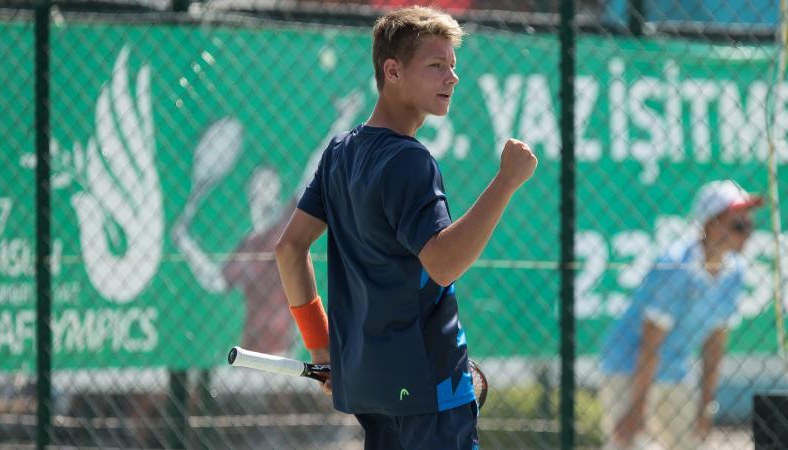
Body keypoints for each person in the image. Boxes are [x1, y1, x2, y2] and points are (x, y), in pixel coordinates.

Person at [274, 6, 537, 449]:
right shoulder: (410, 160)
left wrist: (321, 348)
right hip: (427, 388)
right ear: (392, 71)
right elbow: (444, 262)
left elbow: (289, 248)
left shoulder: (339, 152)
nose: (452, 78)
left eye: (453, 67)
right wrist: (506, 180)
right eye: (436, 66)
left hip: (370, 386)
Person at [599, 180, 763, 450]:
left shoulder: (735, 272)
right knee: (629, 445)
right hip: (627, 368)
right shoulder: (676, 267)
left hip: (675, 371)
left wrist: (706, 406)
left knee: (692, 445)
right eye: (738, 226)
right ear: (711, 224)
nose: (747, 234)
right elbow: (650, 343)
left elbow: (714, 344)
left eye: (749, 226)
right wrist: (637, 409)